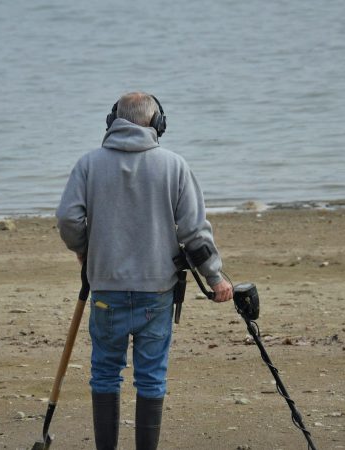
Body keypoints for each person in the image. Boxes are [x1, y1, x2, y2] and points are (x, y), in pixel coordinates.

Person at [56, 92, 233, 450]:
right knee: (151, 379)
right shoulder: (174, 165)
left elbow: (68, 218)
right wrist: (216, 277)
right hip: (157, 292)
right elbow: (194, 233)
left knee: (105, 374)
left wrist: (84, 251)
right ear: (157, 124)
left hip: (105, 288)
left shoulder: (89, 164)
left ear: (112, 121)